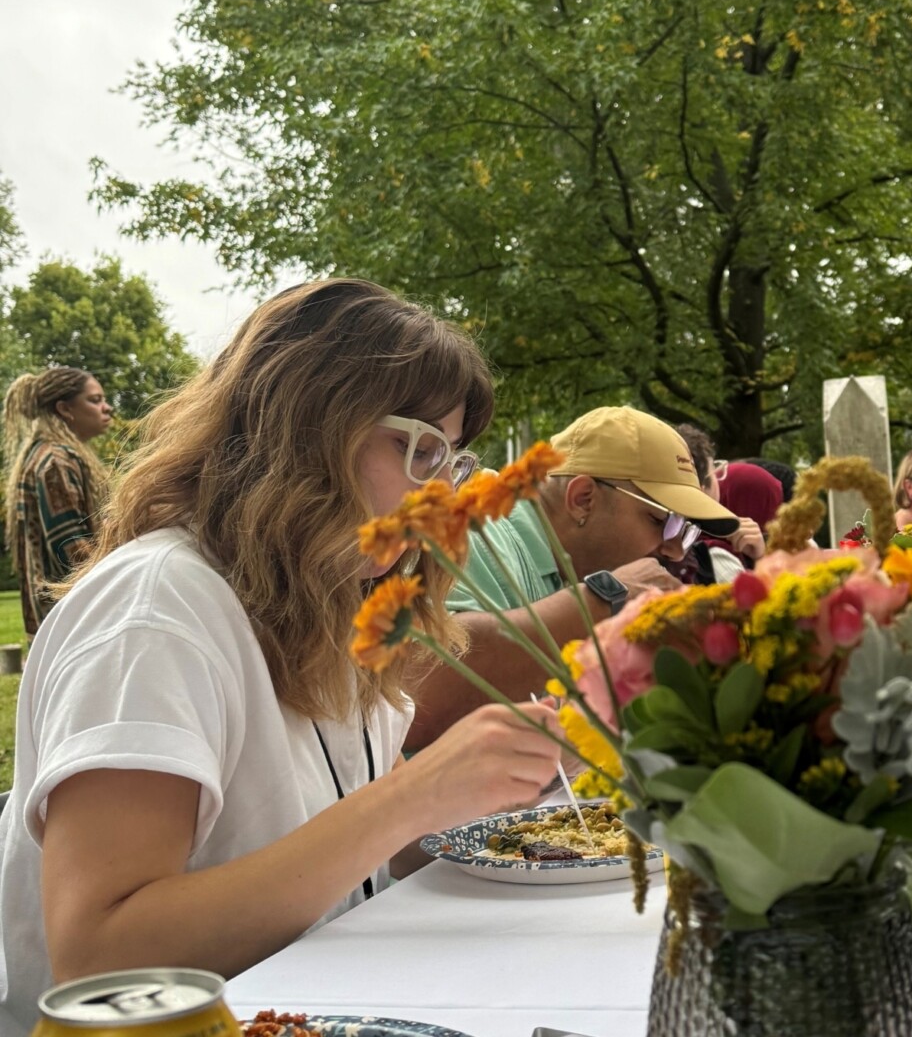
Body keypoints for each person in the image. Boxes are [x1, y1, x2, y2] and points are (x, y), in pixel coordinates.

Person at [0, 280, 563, 1036]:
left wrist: (476, 798)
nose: (443, 500)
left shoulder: (325, 604)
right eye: (419, 448)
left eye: (452, 462)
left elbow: (355, 865)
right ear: (306, 425)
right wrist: (412, 798)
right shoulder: (156, 611)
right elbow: (103, 958)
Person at [410, 406, 738, 747]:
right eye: (663, 522)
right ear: (583, 499)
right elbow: (422, 687)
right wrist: (603, 599)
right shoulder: (478, 533)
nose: (676, 551)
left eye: (686, 531)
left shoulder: (568, 563)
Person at [2, 367, 113, 636]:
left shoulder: (48, 456)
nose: (107, 408)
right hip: (71, 623)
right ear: (65, 409)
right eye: (95, 400)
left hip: (59, 621)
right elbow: (72, 549)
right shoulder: (55, 462)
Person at [672, 423, 762, 584]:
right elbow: (761, 607)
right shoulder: (715, 557)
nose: (719, 482)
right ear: (701, 488)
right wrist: (763, 560)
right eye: (715, 471)